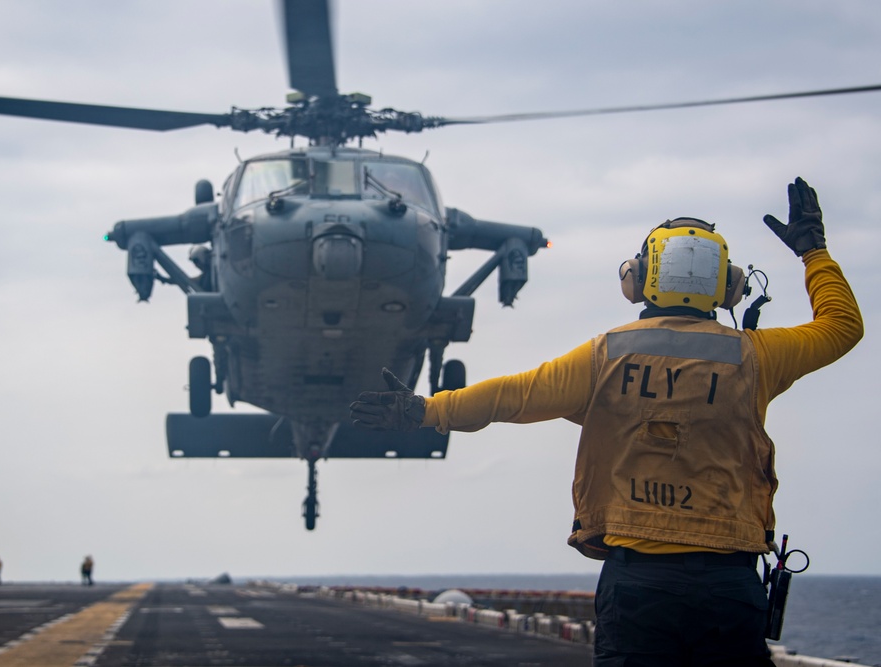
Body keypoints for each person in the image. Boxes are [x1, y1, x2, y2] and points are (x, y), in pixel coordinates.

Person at [350, 177, 863, 666]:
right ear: (729, 289)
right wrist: (812, 250)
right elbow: (842, 327)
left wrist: (426, 410)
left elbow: (512, 395)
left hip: (637, 584)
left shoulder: (605, 356)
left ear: (637, 280)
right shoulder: (757, 357)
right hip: (729, 585)